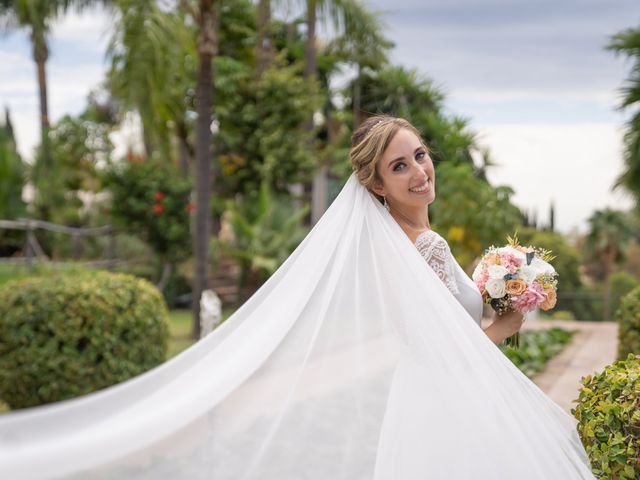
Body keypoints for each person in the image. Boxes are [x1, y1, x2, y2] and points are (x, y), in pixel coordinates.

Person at [0, 116, 596, 479]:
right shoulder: (424, 246)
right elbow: (460, 347)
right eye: (399, 166)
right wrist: (509, 318)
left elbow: (443, 332)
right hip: (450, 402)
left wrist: (496, 286)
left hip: (430, 402)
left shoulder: (402, 247)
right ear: (376, 185)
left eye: (420, 155)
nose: (419, 171)